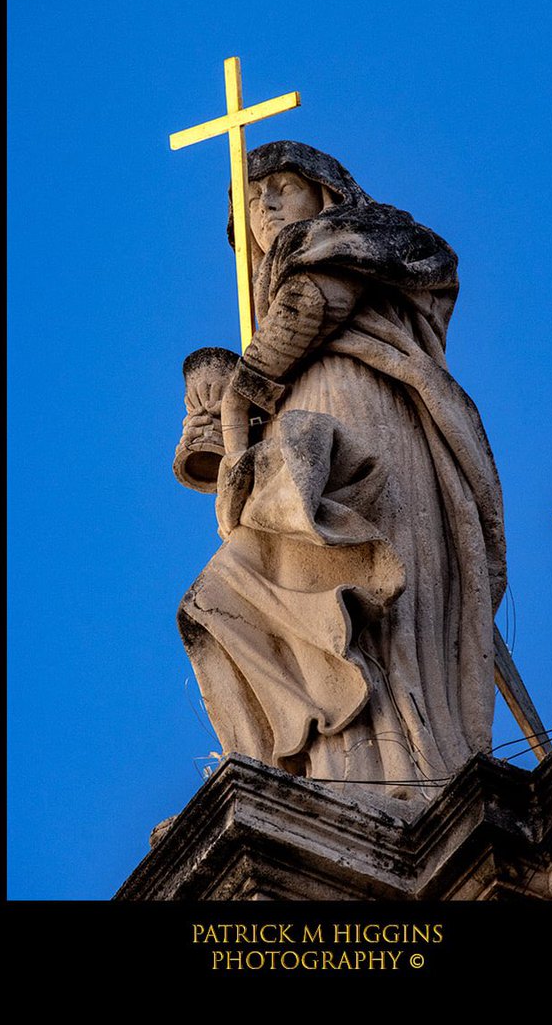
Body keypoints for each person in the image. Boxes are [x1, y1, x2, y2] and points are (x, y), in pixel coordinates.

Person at [177, 141, 506, 801]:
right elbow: (226, 447)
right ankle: (313, 766)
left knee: (370, 582)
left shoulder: (362, 239)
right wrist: (221, 405)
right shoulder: (281, 309)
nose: (264, 206)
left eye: (280, 187)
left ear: (324, 193)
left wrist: (246, 383)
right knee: (226, 592)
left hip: (361, 408)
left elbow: (314, 303)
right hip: (303, 417)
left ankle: (408, 763)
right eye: (248, 204)